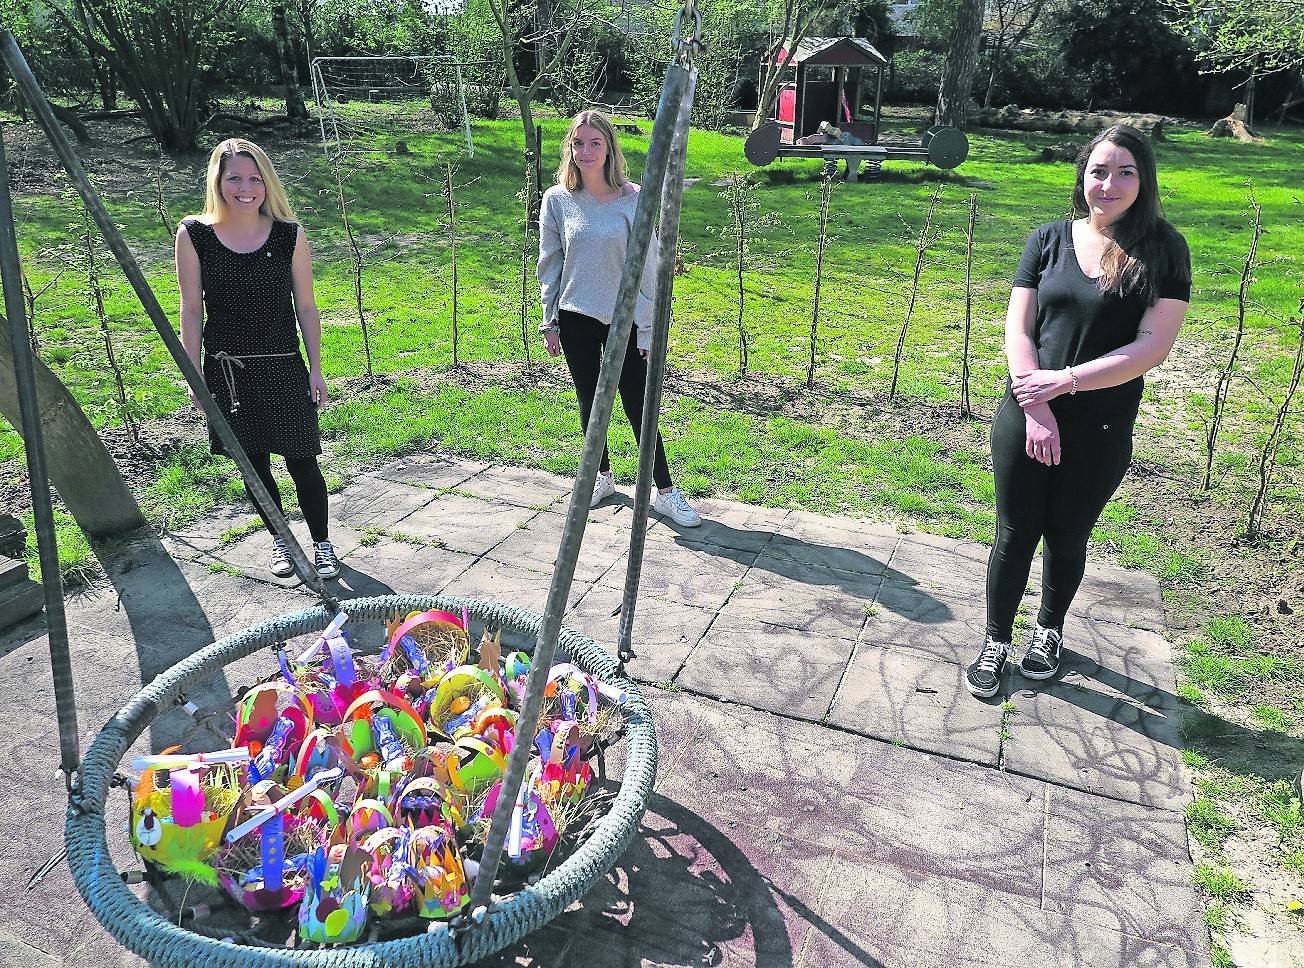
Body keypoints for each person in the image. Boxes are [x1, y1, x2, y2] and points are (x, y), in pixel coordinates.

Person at [965, 124, 1191, 698]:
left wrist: (1063, 384)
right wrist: (1035, 404)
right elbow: (1019, 329)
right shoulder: (1047, 240)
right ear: (1081, 176)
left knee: (1067, 535)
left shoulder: (1164, 250)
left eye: (1124, 172)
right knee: (1015, 533)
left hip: (1101, 421)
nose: (1109, 184)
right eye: (1098, 170)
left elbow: (1150, 348)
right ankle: (996, 640)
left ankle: (1048, 631)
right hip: (1026, 410)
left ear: (1144, 180)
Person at [175, 138, 339, 580]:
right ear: (218, 181)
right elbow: (191, 310)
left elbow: (306, 306)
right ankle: (281, 541)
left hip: (284, 364)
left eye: (254, 178)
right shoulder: (194, 234)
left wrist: (317, 368)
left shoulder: (290, 235)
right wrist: (194, 377)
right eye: (234, 178)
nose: (245, 188)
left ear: (267, 183)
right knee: (253, 464)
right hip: (227, 373)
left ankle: (323, 544)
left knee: (303, 459)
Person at [537, 109, 701, 528]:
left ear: (610, 147)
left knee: (636, 403)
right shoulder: (557, 200)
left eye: (595, 143)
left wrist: (645, 327)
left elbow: (648, 268)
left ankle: (664, 492)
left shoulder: (635, 198)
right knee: (590, 400)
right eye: (578, 143)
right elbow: (550, 262)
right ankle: (602, 476)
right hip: (575, 316)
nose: (586, 151)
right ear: (569, 149)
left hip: (624, 319)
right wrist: (549, 318)